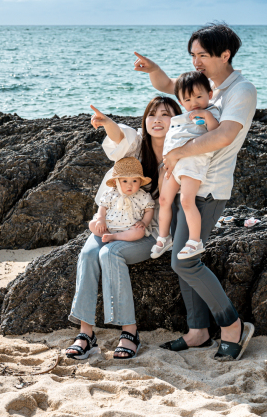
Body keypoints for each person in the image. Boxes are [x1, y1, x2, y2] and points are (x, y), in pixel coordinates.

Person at [134, 22, 257, 360]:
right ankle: (198, 331)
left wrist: (175, 154)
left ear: (225, 54)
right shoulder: (208, 89)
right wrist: (153, 69)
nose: (196, 62)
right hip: (186, 182)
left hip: (209, 189)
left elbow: (223, 135)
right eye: (192, 55)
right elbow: (170, 85)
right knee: (183, 256)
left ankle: (231, 325)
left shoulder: (240, 91)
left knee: (185, 262)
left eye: (202, 55)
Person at [65, 96, 180, 361]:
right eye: (152, 114)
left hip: (150, 230)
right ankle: (86, 334)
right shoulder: (137, 145)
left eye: (166, 114)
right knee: (88, 254)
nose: (158, 120)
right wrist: (107, 123)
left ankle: (129, 332)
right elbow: (120, 137)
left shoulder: (182, 151)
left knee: (110, 253)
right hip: (113, 221)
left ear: (177, 120)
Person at [151, 71, 221, 260]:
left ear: (210, 94)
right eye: (188, 99)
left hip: (193, 163)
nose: (194, 102)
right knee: (164, 200)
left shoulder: (212, 112)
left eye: (199, 96)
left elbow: (217, 134)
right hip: (174, 165)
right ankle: (164, 237)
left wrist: (207, 116)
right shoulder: (184, 116)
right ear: (181, 102)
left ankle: (194, 241)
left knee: (186, 201)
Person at [91, 157, 155, 244]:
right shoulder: (111, 193)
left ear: (140, 182)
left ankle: (114, 237)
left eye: (134, 181)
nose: (129, 185)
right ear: (115, 182)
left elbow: (149, 210)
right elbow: (103, 207)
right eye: (124, 181)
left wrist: (144, 222)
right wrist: (101, 219)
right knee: (92, 224)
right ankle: (107, 234)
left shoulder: (142, 196)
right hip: (109, 225)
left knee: (140, 232)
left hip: (130, 228)